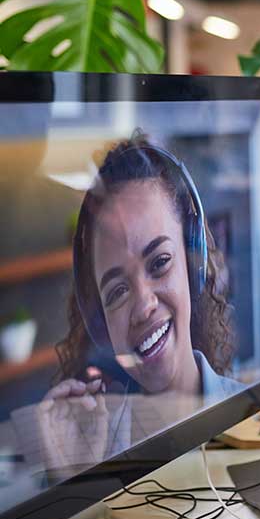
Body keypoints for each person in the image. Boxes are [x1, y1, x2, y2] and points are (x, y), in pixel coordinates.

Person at [37, 133, 244, 471]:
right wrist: (73, 480)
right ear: (100, 321)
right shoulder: (90, 450)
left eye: (160, 263)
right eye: (117, 291)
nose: (144, 305)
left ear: (194, 264)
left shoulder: (255, 416)